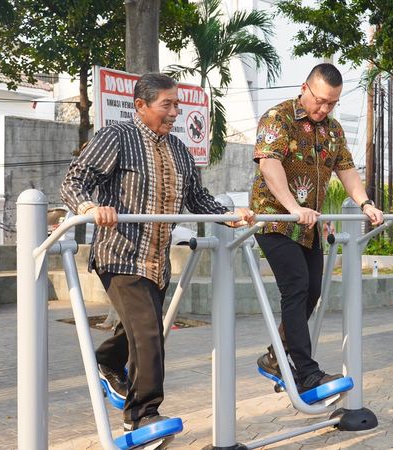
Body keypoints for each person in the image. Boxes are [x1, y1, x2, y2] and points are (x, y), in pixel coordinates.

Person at [61, 73, 254, 435]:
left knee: (145, 331)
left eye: (176, 104)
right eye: (167, 104)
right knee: (149, 334)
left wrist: (231, 217)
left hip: (155, 260)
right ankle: (142, 416)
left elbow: (197, 199)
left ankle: (106, 358)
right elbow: (75, 180)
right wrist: (89, 207)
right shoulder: (117, 136)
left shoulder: (179, 150)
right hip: (120, 254)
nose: (175, 112)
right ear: (141, 105)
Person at [250, 63, 383, 392]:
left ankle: (274, 355)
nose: (324, 109)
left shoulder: (333, 130)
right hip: (276, 220)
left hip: (307, 225)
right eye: (320, 100)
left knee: (313, 290)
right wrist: (293, 208)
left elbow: (347, 170)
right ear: (305, 88)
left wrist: (366, 203)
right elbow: (270, 164)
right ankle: (306, 372)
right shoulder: (277, 118)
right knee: (295, 287)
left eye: (332, 103)